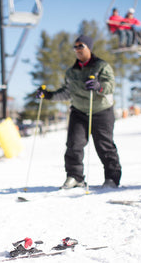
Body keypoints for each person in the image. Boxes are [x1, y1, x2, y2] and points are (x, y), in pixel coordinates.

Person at [36, 35, 122, 189]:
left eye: (80, 46)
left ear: (89, 47)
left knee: (104, 146)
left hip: (101, 110)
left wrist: (98, 86)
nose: (77, 50)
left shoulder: (101, 66)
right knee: (74, 144)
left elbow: (110, 86)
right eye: (75, 47)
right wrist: (48, 95)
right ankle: (75, 177)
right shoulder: (71, 72)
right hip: (79, 111)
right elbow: (67, 92)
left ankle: (112, 178)